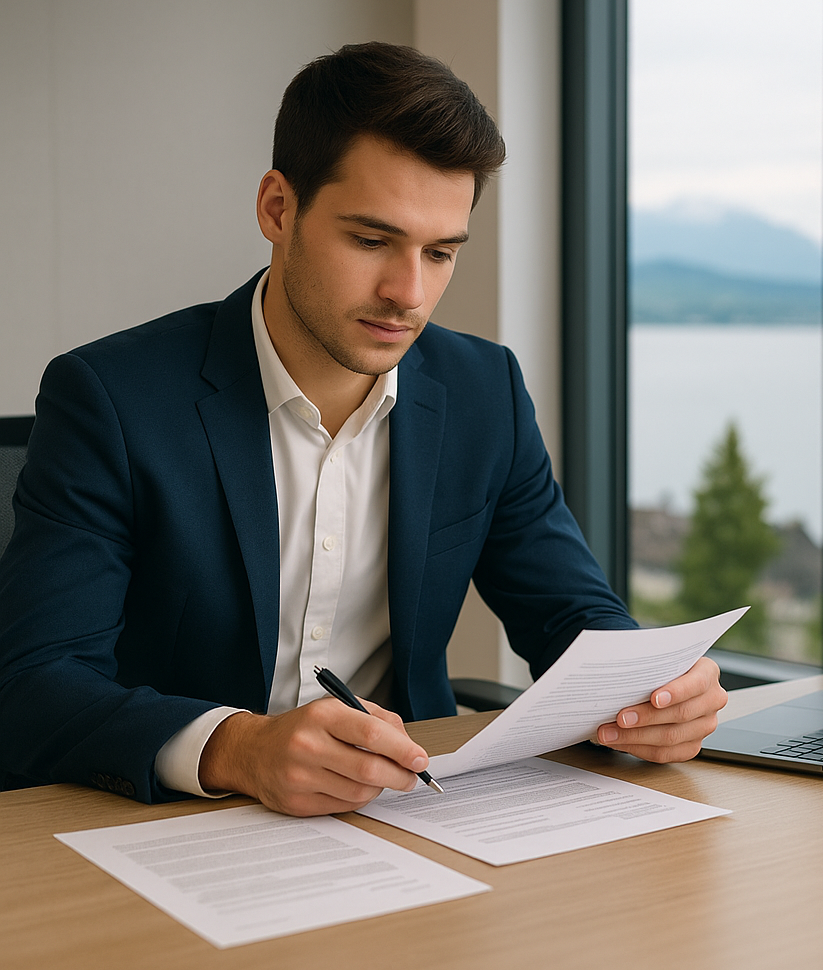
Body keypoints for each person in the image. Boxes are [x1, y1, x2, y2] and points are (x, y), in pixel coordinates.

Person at [0, 42, 726, 816]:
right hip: (169, 825)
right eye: (372, 241)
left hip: (406, 815)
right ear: (279, 209)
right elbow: (33, 683)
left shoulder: (486, 393)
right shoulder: (112, 399)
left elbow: (573, 618)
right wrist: (239, 747)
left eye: (441, 252)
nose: (407, 294)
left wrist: (652, 693)